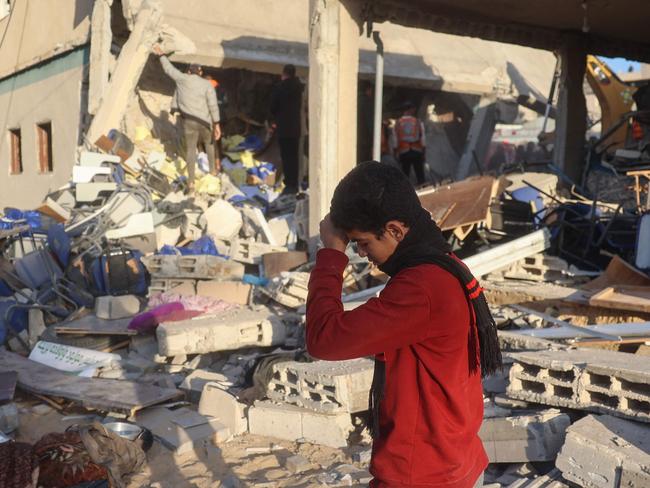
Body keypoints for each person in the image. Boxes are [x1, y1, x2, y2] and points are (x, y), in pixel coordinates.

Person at [306, 162, 502, 488]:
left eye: (363, 243)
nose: (363, 254)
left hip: (423, 474)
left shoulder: (420, 288)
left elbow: (323, 338)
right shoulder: (444, 264)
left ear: (396, 230)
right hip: (456, 460)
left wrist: (331, 255)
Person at [153, 45, 221, 191]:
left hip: (189, 121)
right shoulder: (207, 85)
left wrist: (161, 55)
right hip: (205, 122)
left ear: (189, 71)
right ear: (201, 72)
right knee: (209, 145)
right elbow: (213, 105)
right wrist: (217, 124)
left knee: (191, 150)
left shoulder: (183, 79)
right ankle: (213, 172)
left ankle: (191, 182)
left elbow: (169, 69)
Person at [270, 64, 303, 195]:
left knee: (286, 156)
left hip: (284, 127)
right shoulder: (299, 88)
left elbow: (273, 107)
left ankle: (289, 184)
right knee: (294, 156)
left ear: (284, 73)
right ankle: (294, 183)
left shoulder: (280, 88)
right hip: (296, 127)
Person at [392, 101, 427, 184]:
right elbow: (423, 139)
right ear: (411, 110)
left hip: (404, 152)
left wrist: (395, 153)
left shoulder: (398, 123)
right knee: (420, 175)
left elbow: (395, 140)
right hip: (417, 151)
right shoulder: (417, 122)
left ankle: (404, 193)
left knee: (405, 176)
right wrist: (424, 152)